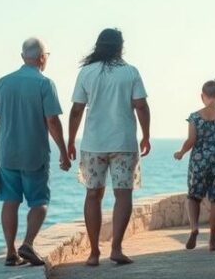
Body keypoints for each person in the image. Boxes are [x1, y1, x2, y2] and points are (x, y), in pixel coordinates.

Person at [0, 37, 71, 267]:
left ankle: (11, 252)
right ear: (42, 58)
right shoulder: (45, 84)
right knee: (39, 201)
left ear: (23, 57)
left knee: (10, 201)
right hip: (35, 155)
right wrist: (63, 150)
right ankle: (28, 243)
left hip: (7, 155)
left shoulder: (2, 83)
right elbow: (52, 120)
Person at [67, 28, 151, 266]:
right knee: (123, 194)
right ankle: (116, 248)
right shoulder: (130, 72)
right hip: (124, 142)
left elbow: (76, 110)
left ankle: (94, 253)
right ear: (119, 46)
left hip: (93, 144)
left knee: (93, 195)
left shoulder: (87, 72)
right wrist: (146, 135)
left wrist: (71, 140)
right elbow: (141, 106)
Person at [173, 80, 215, 251]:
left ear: (202, 96)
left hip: (199, 160)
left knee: (193, 196)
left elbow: (191, 140)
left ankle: (194, 227)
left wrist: (181, 152)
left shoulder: (195, 116)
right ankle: (212, 242)